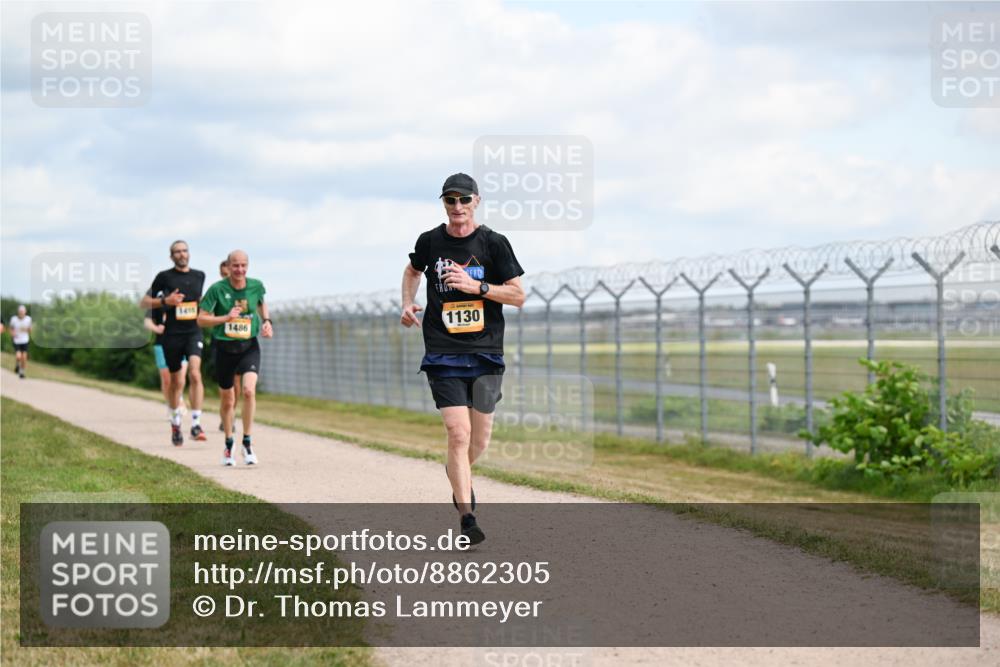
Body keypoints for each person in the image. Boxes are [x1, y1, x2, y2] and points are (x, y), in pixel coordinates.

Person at [401, 173, 525, 545]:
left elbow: (518, 296)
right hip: (443, 350)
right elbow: (412, 270)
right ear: (444, 203)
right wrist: (407, 302)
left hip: (486, 351)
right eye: (450, 200)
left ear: (476, 201)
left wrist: (477, 287)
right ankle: (467, 517)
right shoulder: (430, 242)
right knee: (459, 433)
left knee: (480, 439)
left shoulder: (494, 243)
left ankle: (458, 475)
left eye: (463, 200)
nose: (457, 207)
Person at [198, 249, 273, 466]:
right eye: (235, 266)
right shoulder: (217, 289)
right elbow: (201, 320)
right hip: (224, 348)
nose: (239, 270)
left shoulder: (256, 285)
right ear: (228, 267)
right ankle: (229, 443)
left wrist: (267, 321)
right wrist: (224, 317)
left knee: (249, 391)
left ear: (247, 266)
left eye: (243, 265)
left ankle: (247, 443)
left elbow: (260, 302)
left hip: (249, 345)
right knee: (228, 399)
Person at [140, 240, 207, 446]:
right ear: (171, 256)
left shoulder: (199, 276)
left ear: (189, 253)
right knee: (177, 382)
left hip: (193, 332)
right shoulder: (164, 277)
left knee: (195, 374)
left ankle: (196, 424)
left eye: (184, 250)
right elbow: (143, 302)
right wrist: (165, 302)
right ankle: (176, 423)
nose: (181, 254)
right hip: (172, 335)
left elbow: (199, 300)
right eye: (177, 252)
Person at [143, 302, 187, 419]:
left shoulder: (184, 299)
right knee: (166, 379)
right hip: (162, 344)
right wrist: (156, 328)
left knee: (180, 378)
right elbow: (147, 321)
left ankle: (179, 400)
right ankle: (171, 405)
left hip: (181, 342)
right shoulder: (159, 301)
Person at [216, 258, 241, 431]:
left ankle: (232, 413)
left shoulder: (242, 291)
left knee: (237, 382)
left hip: (240, 341)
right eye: (224, 274)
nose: (227, 276)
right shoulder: (216, 291)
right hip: (221, 342)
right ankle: (225, 413)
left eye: (229, 273)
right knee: (225, 384)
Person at [9, 305, 32, 379]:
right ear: (18, 312)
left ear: (25, 312)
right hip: (16, 340)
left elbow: (30, 330)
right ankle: (17, 365)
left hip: (25, 340)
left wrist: (27, 329)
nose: (21, 313)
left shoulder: (28, 319)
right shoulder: (14, 319)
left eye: (23, 312)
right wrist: (13, 334)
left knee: (24, 357)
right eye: (20, 312)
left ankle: (22, 372)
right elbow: (11, 329)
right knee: (18, 356)